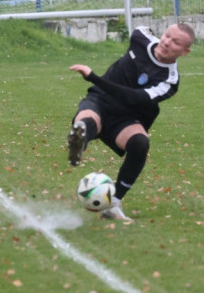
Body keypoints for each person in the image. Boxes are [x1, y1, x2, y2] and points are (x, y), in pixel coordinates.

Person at [66, 23, 195, 222]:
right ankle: (78, 142)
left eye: (176, 42)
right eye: (167, 35)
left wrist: (93, 77)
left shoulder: (169, 81)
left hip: (126, 116)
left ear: (185, 52)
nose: (167, 42)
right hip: (100, 100)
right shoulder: (140, 37)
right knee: (87, 121)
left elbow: (131, 97)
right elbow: (140, 27)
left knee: (140, 143)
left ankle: (114, 203)